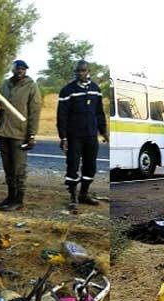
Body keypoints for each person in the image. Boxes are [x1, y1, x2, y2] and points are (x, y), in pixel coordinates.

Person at [57, 60, 108, 211]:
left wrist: (103, 131)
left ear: (88, 71)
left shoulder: (95, 89)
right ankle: (73, 198)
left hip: (91, 135)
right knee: (72, 165)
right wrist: (63, 137)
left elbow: (99, 112)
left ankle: (83, 194)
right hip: (74, 136)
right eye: (78, 71)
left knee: (90, 166)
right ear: (75, 72)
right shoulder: (67, 90)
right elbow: (62, 115)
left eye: (83, 70)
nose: (80, 73)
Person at [0, 59, 41, 211]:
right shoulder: (5, 84)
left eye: (23, 69)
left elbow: (34, 112)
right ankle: (10, 196)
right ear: (13, 69)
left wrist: (31, 135)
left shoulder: (31, 86)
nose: (20, 71)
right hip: (4, 131)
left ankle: (19, 200)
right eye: (18, 68)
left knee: (19, 169)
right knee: (8, 168)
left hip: (20, 133)